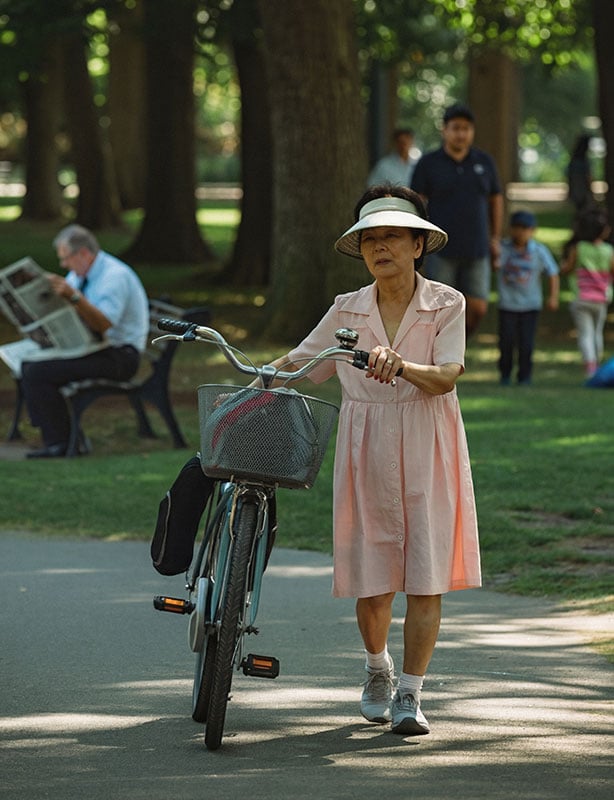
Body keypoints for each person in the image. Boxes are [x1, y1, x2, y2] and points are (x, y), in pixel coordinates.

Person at [264, 183, 481, 736]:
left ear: (417, 245)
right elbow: (300, 362)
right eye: (369, 239)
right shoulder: (347, 309)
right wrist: (257, 377)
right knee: (373, 579)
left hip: (428, 439)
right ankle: (377, 668)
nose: (380, 247)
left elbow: (447, 378)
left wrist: (401, 364)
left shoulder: (446, 303)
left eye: (391, 237)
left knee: (426, 577)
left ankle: (410, 694)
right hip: (365, 442)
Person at [21, 224, 149, 458]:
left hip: (120, 356)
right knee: (29, 364)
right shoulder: (82, 274)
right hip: (95, 348)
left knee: (38, 373)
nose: (63, 265)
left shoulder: (114, 276)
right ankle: (62, 437)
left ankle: (60, 443)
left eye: (66, 258)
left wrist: (74, 297)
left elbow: (104, 324)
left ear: (83, 254)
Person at [411, 103, 503, 336]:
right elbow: (417, 202)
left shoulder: (485, 162)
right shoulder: (428, 163)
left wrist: (495, 238)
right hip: (440, 249)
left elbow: (496, 200)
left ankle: (459, 343)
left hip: (478, 247)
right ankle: (441, 352)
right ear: (445, 130)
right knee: (440, 308)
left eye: (466, 128)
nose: (461, 134)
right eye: (456, 128)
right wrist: (418, 240)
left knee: (479, 307)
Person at [495, 210, 560, 386]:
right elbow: (493, 265)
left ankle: (525, 376)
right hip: (508, 304)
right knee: (506, 342)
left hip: (530, 305)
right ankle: (505, 374)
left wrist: (553, 297)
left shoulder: (539, 251)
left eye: (525, 228)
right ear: (511, 229)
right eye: (517, 228)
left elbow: (553, 273)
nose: (521, 232)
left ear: (532, 230)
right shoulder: (502, 248)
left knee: (526, 344)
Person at [560, 207, 614, 379]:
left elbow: (567, 268)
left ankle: (590, 366)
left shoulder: (579, 248)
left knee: (586, 333)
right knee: (597, 332)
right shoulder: (608, 251)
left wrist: (563, 267)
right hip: (601, 298)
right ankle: (596, 363)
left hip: (582, 298)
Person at [566, 134, 594, 214]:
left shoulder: (573, 160)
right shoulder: (584, 161)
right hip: (582, 189)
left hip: (575, 189)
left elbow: (569, 177)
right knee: (585, 210)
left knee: (579, 210)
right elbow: (588, 177)